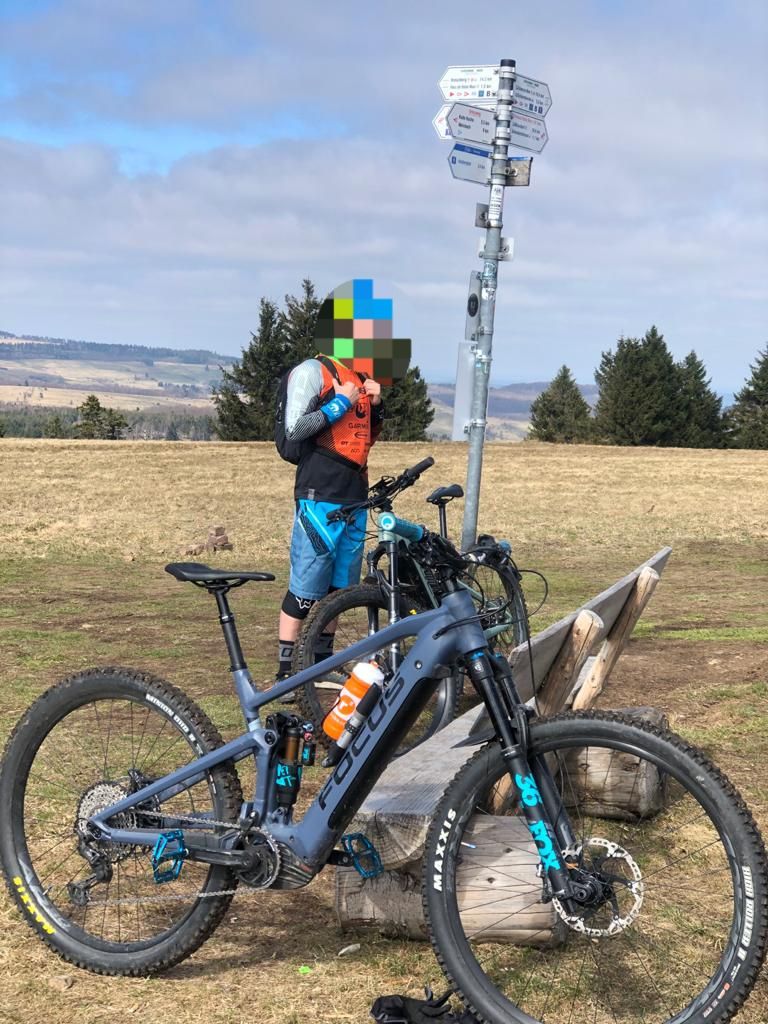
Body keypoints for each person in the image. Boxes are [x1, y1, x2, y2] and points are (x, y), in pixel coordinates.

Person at [275, 354, 384, 684]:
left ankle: (322, 664)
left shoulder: (360, 377)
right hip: (318, 496)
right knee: (305, 589)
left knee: (338, 591)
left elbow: (363, 440)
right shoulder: (313, 371)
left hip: (355, 497)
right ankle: (286, 673)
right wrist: (340, 403)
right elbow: (295, 429)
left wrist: (376, 407)